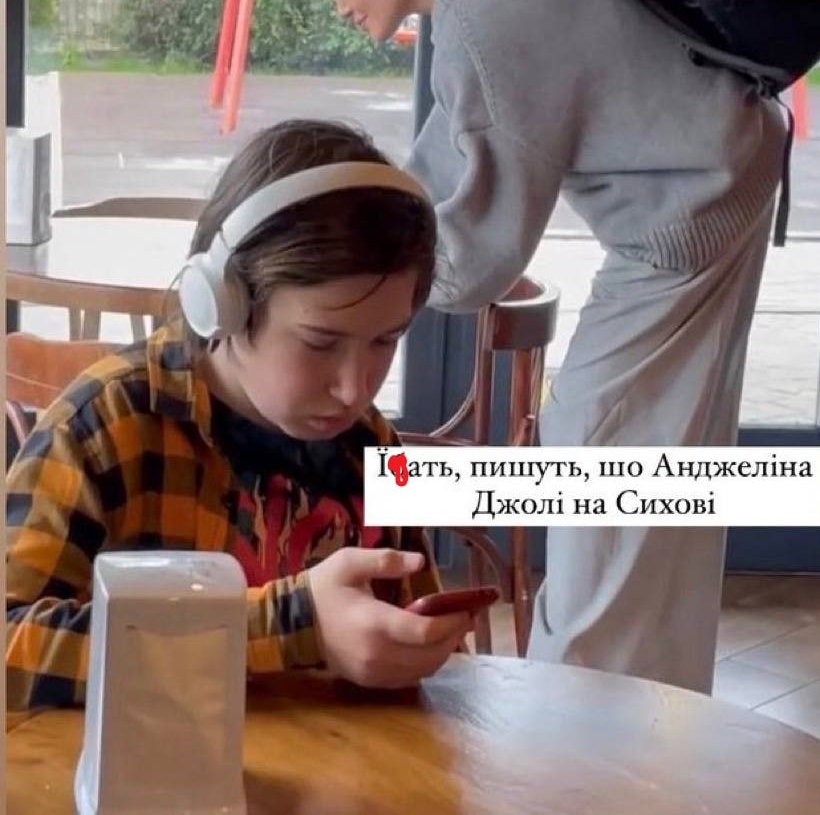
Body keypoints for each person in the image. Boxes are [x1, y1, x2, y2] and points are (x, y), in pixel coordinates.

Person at [301, 0, 788, 695]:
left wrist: (370, 285)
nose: (339, 4)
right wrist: (376, 212)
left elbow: (479, 260)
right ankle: (655, 701)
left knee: (600, 454)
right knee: (657, 468)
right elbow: (450, 150)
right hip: (725, 167)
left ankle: (579, 712)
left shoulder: (481, 27)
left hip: (691, 209)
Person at [6, 119, 471, 712]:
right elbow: (11, 644)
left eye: (385, 341)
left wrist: (412, 645)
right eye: (320, 342)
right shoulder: (105, 427)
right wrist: (290, 625)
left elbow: (413, 621)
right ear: (223, 304)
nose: (354, 389)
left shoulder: (368, 442)